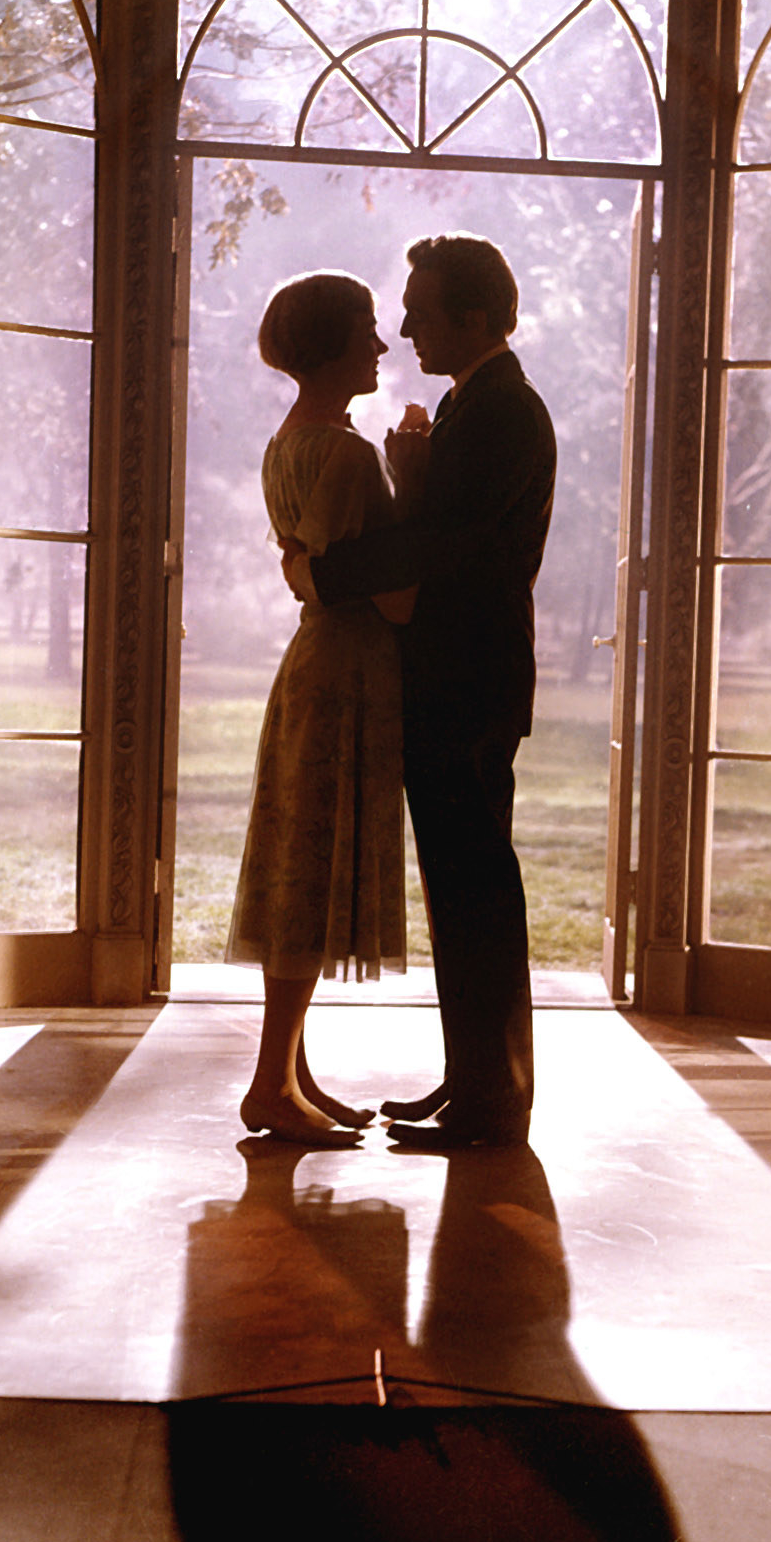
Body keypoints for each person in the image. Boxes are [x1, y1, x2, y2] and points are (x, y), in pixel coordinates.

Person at [287, 234, 556, 1150]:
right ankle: (473, 1082)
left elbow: (441, 543)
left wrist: (321, 573)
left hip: (467, 681)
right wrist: (414, 474)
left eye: (421, 310)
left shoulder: (502, 413)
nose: (402, 327)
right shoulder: (471, 406)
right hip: (457, 677)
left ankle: (493, 1099)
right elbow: (445, 528)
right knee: (463, 888)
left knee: (476, 888)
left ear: (474, 319)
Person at [228, 272, 416, 1144]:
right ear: (331, 345)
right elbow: (395, 598)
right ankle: (271, 1082)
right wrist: (411, 489)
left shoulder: (287, 441)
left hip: (313, 662)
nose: (381, 346)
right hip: (345, 671)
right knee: (307, 871)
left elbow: (306, 562)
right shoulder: (345, 453)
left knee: (296, 857)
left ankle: (291, 1074)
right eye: (366, 330)